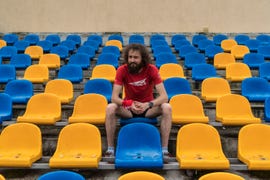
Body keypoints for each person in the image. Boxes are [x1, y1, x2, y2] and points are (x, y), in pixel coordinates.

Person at [105, 43, 172, 159]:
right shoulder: (122, 70)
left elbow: (164, 97)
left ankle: (164, 150)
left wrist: (148, 104)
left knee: (167, 107)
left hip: (148, 109)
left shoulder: (151, 70)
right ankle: (110, 149)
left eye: (136, 58)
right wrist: (128, 104)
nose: (132, 60)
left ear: (143, 59)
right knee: (110, 108)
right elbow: (114, 97)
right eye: (130, 57)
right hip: (129, 109)